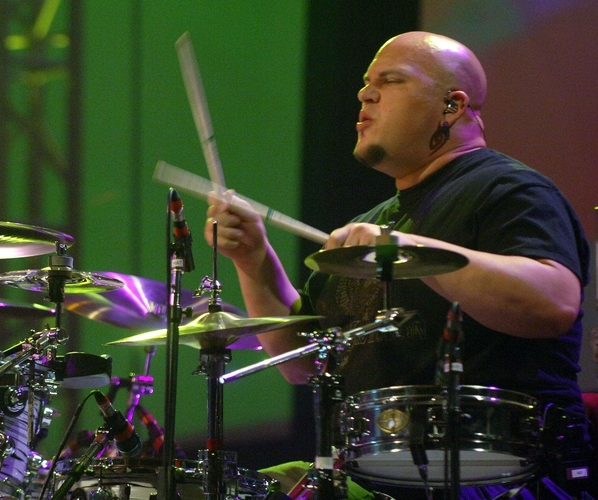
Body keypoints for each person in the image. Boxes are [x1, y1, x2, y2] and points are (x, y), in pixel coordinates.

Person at [204, 32, 593, 498]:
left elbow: (553, 302)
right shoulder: (370, 224)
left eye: (390, 81)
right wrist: (253, 258)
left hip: (500, 472)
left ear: (451, 106)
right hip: (376, 470)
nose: (364, 94)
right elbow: (302, 360)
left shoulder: (508, 190)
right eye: (366, 83)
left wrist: (407, 250)